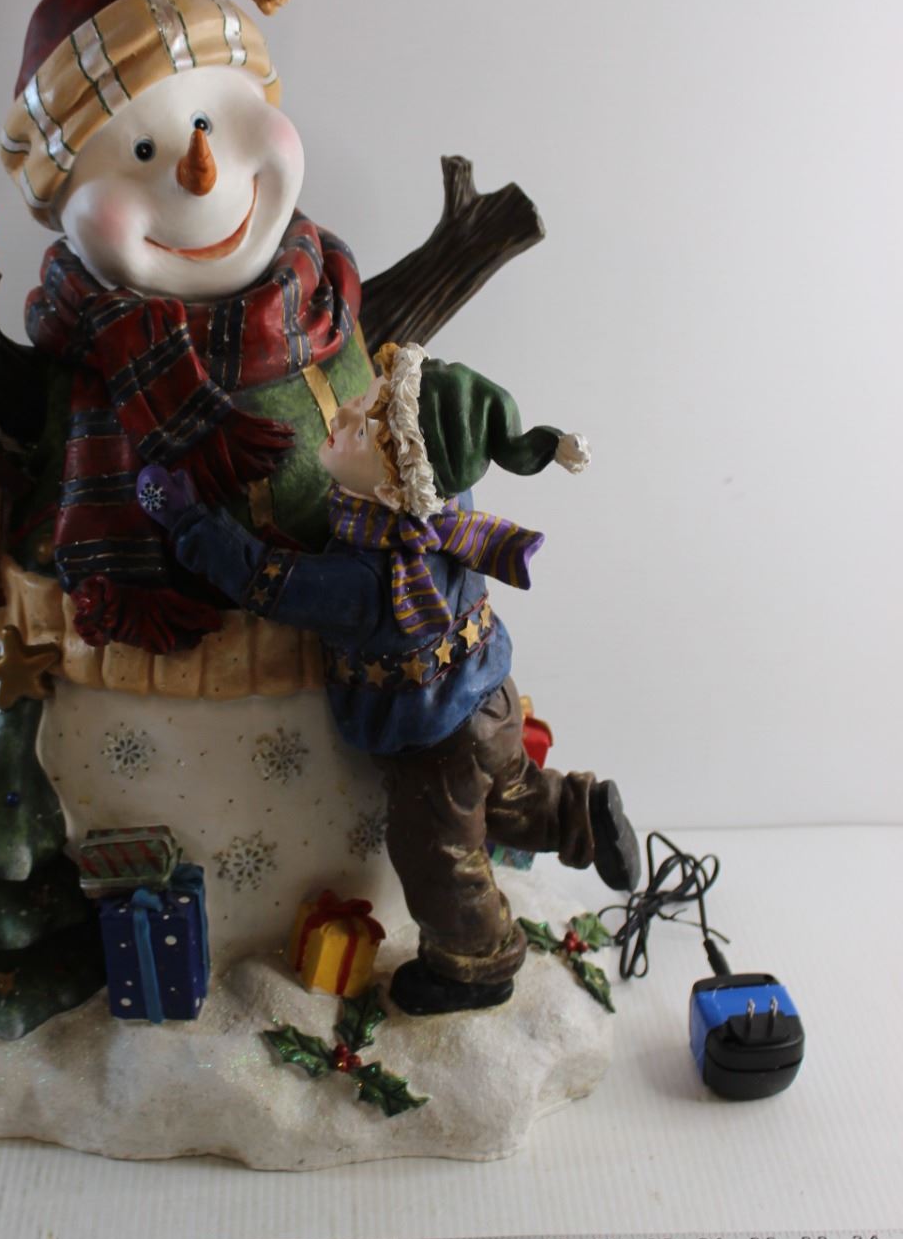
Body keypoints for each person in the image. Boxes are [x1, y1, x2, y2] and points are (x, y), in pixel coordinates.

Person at [137, 342, 639, 1017]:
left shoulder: (368, 578)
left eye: (367, 427)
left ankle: (475, 964)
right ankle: (581, 815)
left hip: (433, 741)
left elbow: (265, 580)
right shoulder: (443, 499)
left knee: (438, 854)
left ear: (391, 487)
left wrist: (188, 521)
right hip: (490, 692)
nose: (343, 413)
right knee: (509, 788)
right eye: (365, 397)